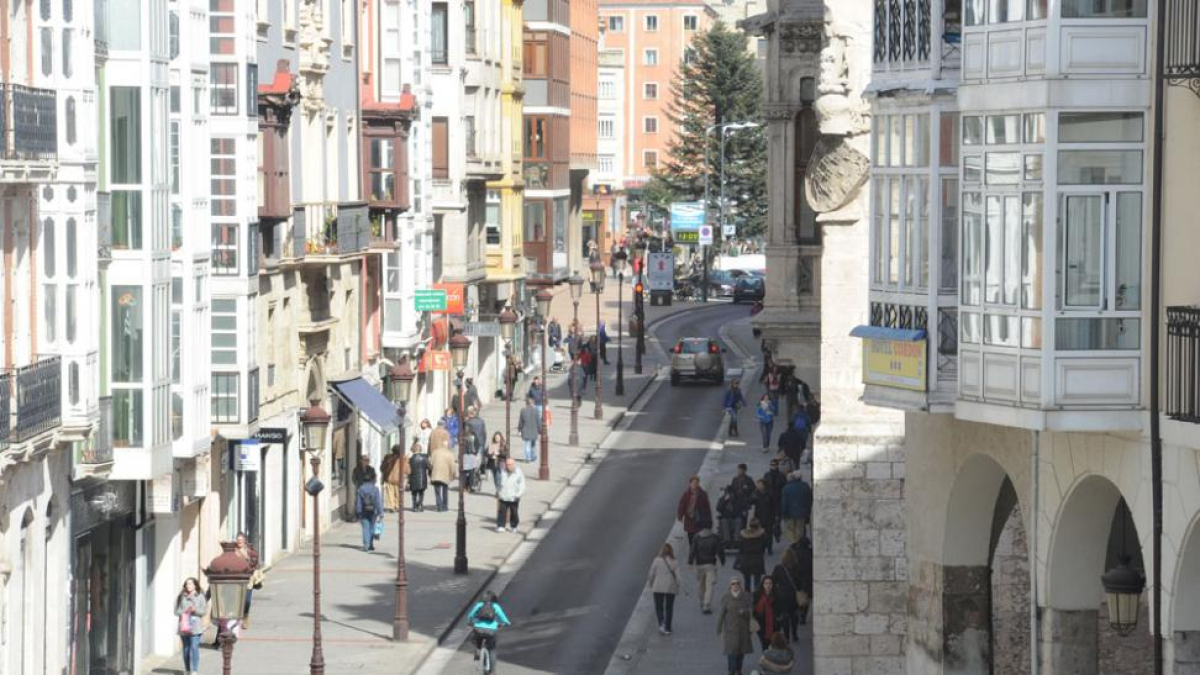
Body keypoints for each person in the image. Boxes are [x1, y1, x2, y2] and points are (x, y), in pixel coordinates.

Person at [467, 590, 512, 673]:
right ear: (493, 598)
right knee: (492, 650)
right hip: (491, 631)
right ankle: (493, 672)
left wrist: (470, 622)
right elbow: (504, 619)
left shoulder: (479, 605)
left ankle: (478, 651)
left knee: (477, 640)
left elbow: (470, 615)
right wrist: (506, 623)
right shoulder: (495, 606)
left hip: (478, 629)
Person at [716, 578, 754, 675]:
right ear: (730, 586)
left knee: (741, 652)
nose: (735, 585)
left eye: (737, 583)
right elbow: (722, 613)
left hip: (743, 629)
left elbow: (751, 612)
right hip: (730, 629)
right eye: (733, 583)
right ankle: (732, 670)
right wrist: (719, 627)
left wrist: (745, 612)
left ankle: (739, 670)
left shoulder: (746, 597)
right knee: (732, 651)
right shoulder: (726, 597)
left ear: (740, 585)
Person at [688, 527, 725, 614]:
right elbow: (719, 550)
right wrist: (722, 561)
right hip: (710, 564)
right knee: (710, 586)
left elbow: (692, 550)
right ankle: (706, 605)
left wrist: (690, 562)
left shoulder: (697, 537)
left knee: (701, 584)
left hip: (699, 564)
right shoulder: (714, 537)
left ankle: (702, 600)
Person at [647, 543, 681, 635]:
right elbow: (678, 577)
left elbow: (651, 574)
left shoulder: (656, 560)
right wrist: (678, 586)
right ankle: (668, 627)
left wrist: (651, 583)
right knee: (669, 607)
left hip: (658, 586)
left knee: (659, 606)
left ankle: (661, 623)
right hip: (670, 587)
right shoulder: (674, 562)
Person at [175, 578, 207, 675]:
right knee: (186, 648)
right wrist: (185, 610)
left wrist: (195, 610)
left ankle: (195, 670)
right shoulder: (181, 596)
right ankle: (187, 669)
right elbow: (176, 611)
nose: (188, 586)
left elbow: (203, 612)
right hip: (184, 626)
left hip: (196, 627)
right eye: (187, 584)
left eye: (190, 584)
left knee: (194, 647)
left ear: (195, 585)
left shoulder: (200, 596)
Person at [675, 475, 713, 551]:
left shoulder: (703, 494)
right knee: (691, 537)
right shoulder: (686, 494)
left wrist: (709, 520)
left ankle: (698, 552)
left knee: (699, 537)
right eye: (693, 483)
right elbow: (682, 505)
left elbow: (707, 507)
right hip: (689, 520)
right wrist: (680, 516)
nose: (695, 484)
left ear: (699, 483)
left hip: (700, 520)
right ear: (690, 483)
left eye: (696, 483)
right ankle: (693, 551)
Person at [770, 551, 800, 642]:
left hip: (782, 595)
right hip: (794, 595)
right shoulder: (797, 567)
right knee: (794, 615)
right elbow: (801, 581)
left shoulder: (778, 568)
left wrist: (774, 593)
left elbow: (773, 581)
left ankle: (786, 636)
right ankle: (794, 634)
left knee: (785, 616)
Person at [735, 517, 769, 592]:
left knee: (747, 581)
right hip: (757, 559)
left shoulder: (743, 534)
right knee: (757, 581)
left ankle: (748, 597)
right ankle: (756, 598)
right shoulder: (762, 534)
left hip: (746, 560)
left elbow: (740, 548)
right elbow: (765, 545)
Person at [779, 472, 813, 544]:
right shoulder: (805, 486)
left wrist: (783, 513)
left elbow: (784, 503)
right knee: (799, 530)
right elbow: (809, 501)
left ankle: (794, 543)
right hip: (802, 513)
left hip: (789, 513)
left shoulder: (786, 488)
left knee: (789, 530)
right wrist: (808, 512)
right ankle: (797, 544)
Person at [355, 467, 383, 552]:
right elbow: (378, 502)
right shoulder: (375, 489)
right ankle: (370, 544)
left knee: (365, 528)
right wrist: (381, 513)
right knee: (372, 527)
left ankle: (366, 545)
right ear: (372, 479)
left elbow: (358, 502)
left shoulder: (360, 489)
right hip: (373, 511)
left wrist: (358, 512)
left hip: (363, 511)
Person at [496, 457, 526, 532]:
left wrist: (518, 494)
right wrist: (498, 492)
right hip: (504, 495)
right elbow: (499, 483)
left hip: (514, 497)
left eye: (510, 464)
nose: (508, 466)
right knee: (502, 512)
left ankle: (514, 526)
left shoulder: (518, 472)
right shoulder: (502, 471)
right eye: (507, 464)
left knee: (514, 512)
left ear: (513, 465)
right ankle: (501, 526)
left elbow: (522, 484)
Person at [429, 436, 457, 512]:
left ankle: (439, 506)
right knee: (445, 491)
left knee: (437, 491)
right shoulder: (449, 454)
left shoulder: (435, 452)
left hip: (436, 474)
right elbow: (452, 465)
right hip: (445, 474)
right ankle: (445, 506)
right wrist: (453, 474)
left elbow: (431, 463)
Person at [751, 479, 777, 555]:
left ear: (764, 485)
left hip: (769, 516)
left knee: (769, 534)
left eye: (760, 484)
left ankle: (769, 548)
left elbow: (774, 505)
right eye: (758, 484)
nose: (758, 486)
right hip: (759, 517)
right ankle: (761, 548)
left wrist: (776, 516)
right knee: (759, 534)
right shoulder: (756, 493)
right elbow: (750, 501)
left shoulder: (769, 494)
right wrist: (753, 495)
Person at [792, 537, 814, 627]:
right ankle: (803, 616)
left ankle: (799, 612)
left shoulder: (795, 553)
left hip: (797, 579)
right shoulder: (810, 553)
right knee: (807, 598)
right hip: (808, 579)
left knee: (799, 596)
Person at [752, 577, 779, 650]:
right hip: (761, 624)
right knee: (764, 643)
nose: (768, 585)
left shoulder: (777, 595)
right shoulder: (757, 595)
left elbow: (780, 609)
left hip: (774, 624)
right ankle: (766, 658)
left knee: (773, 644)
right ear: (763, 585)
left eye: (770, 583)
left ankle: (769, 658)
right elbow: (752, 608)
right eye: (766, 583)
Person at [407, 441, 430, 512]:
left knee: (414, 493)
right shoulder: (424, 458)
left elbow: (408, 469)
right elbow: (429, 467)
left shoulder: (410, 459)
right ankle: (420, 505)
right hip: (422, 478)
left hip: (413, 478)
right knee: (421, 493)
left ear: (413, 450)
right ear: (420, 450)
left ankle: (414, 506)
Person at [381, 444, 405, 512]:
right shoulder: (402, 458)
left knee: (390, 493)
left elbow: (382, 467)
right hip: (399, 478)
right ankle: (397, 506)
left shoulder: (388, 457)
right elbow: (407, 470)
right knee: (398, 493)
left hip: (389, 477)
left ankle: (391, 506)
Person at [517, 397, 541, 463]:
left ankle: (528, 458)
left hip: (526, 430)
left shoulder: (523, 410)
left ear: (526, 403)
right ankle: (532, 456)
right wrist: (540, 430)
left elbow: (520, 421)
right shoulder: (536, 411)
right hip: (534, 430)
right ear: (532, 403)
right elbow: (538, 421)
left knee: (527, 444)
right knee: (533, 444)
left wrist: (519, 429)